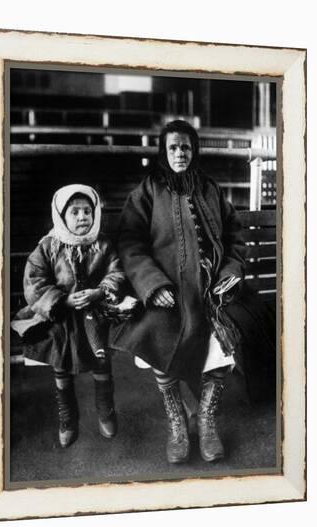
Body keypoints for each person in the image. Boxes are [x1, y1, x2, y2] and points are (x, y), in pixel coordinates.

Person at [110, 120, 247, 464]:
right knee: (158, 334)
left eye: (186, 147)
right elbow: (129, 242)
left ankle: (205, 418)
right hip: (168, 291)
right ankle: (177, 423)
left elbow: (235, 238)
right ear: (163, 151)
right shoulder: (147, 191)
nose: (180, 153)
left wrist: (230, 273)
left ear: (194, 150)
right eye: (173, 147)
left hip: (213, 292)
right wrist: (152, 285)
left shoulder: (211, 188)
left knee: (226, 339)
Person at [11, 184, 127, 448]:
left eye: (88, 211)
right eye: (74, 212)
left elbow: (117, 271)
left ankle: (105, 410)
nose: (82, 217)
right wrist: (61, 299)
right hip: (60, 317)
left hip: (95, 314)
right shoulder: (48, 247)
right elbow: (35, 281)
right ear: (61, 217)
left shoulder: (104, 244)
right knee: (61, 363)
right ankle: (68, 417)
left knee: (101, 361)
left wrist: (100, 291)